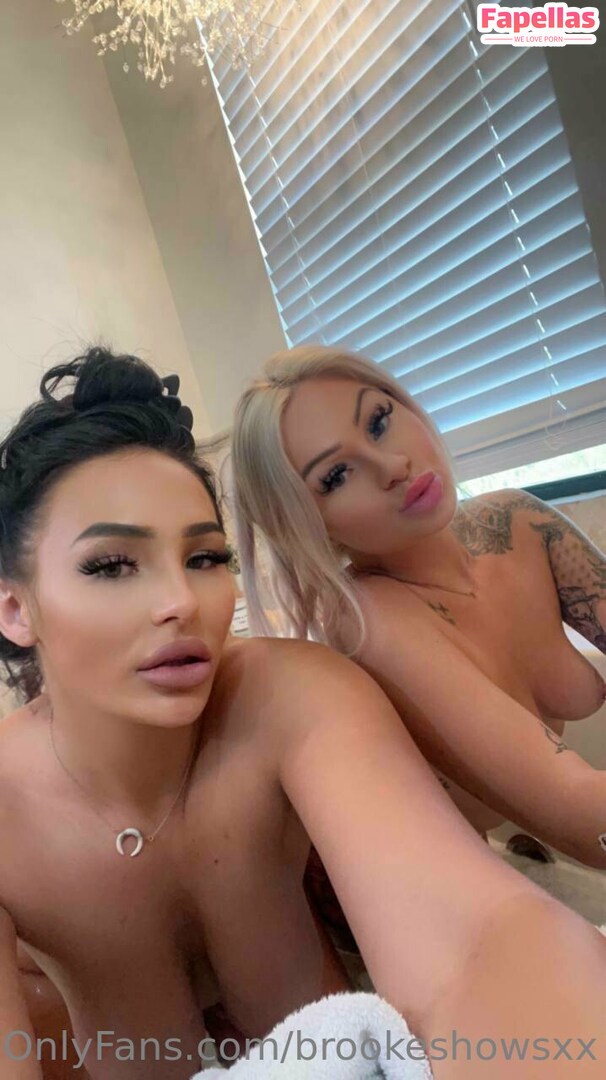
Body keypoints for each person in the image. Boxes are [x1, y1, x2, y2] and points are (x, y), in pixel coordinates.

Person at [1, 347, 605, 1080]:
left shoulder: (294, 693)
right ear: (15, 607)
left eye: (205, 558)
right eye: (109, 565)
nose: (180, 602)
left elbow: (475, 933)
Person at [231, 344, 606, 865]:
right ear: (305, 525)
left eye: (379, 421)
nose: (393, 466)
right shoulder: (368, 622)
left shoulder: (518, 521)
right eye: (336, 476)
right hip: (400, 887)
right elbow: (587, 823)